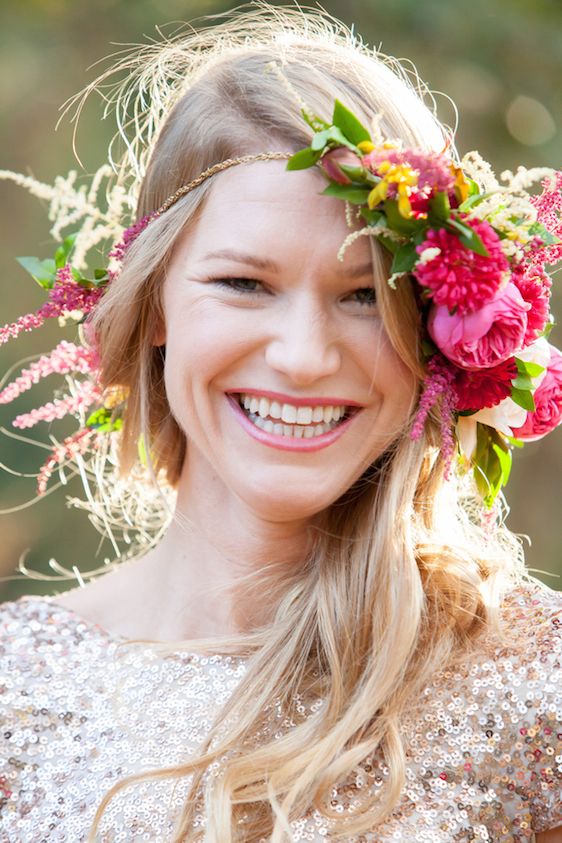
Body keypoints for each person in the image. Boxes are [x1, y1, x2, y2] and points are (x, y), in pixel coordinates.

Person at [0, 5, 561, 841]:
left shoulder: (534, 683)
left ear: (437, 333)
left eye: (365, 295)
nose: (302, 356)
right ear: (153, 305)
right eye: (244, 283)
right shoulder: (16, 685)